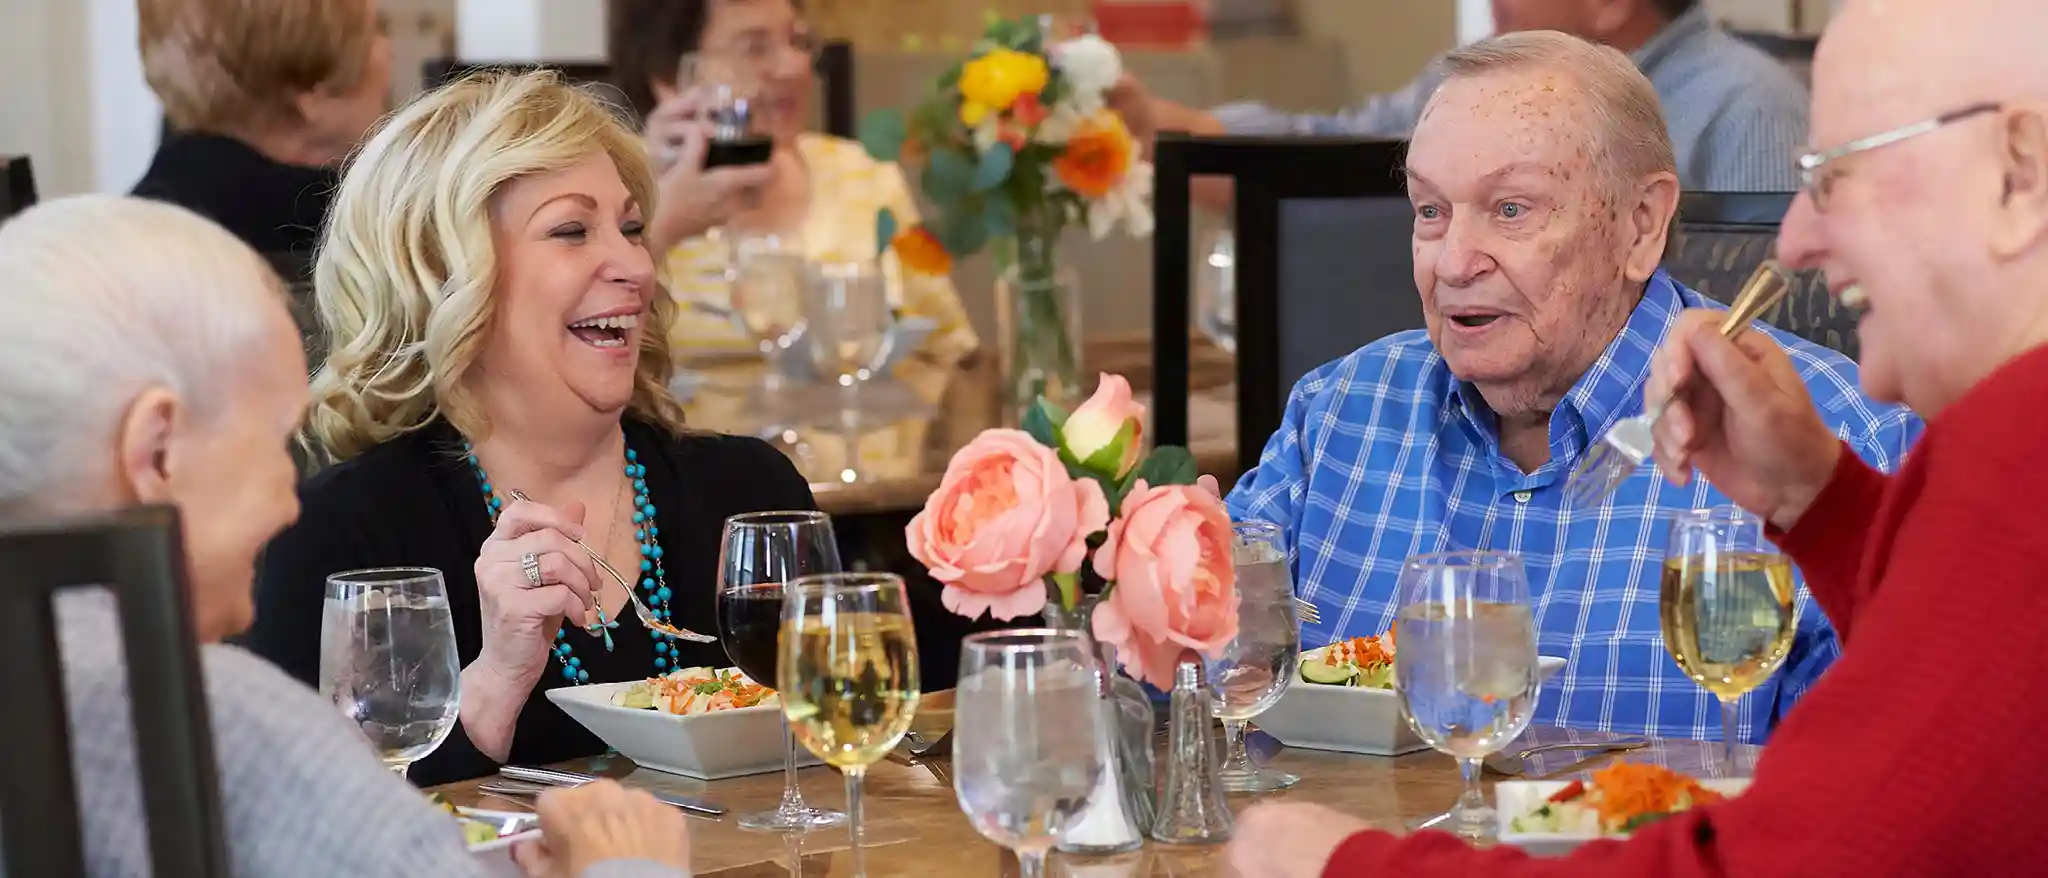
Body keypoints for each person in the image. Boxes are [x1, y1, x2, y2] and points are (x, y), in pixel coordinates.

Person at [1227, 0, 2048, 873]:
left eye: (1836, 178)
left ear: (2018, 174)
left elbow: (1799, 855)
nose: (1797, 237)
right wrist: (1822, 505)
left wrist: (1349, 867)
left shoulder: (2008, 456)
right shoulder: (1337, 409)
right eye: (1429, 212)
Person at [1224, 30, 1919, 745]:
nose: (1454, 262)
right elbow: (1195, 678)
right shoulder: (1337, 413)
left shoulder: (1839, 441)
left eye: (1511, 210)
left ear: (1640, 226)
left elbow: (1884, 778)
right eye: (1431, 211)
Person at [0, 195, 692, 877]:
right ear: (157, 454)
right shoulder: (220, 721)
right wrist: (627, 862)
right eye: (275, 442)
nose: (287, 505)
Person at [241, 70, 819, 786]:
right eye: (573, 231)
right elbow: (303, 830)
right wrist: (494, 682)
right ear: (446, 276)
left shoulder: (751, 496)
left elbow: (847, 753)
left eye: (632, 227)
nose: (636, 265)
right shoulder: (347, 540)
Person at [1112, 0, 1806, 197]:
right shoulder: (1474, 82)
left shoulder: (1750, 108)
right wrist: (1161, 131)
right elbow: (1330, 161)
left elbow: (1775, 346)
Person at [608, 0, 979, 362]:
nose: (794, 66)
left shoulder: (864, 176)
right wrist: (667, 223)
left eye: (798, 41)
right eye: (754, 48)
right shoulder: (611, 189)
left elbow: (949, 350)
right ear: (670, 77)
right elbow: (570, 359)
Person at [130, 0, 391, 261]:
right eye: (375, 31)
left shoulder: (122, 238)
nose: (388, 52)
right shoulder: (367, 257)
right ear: (311, 90)